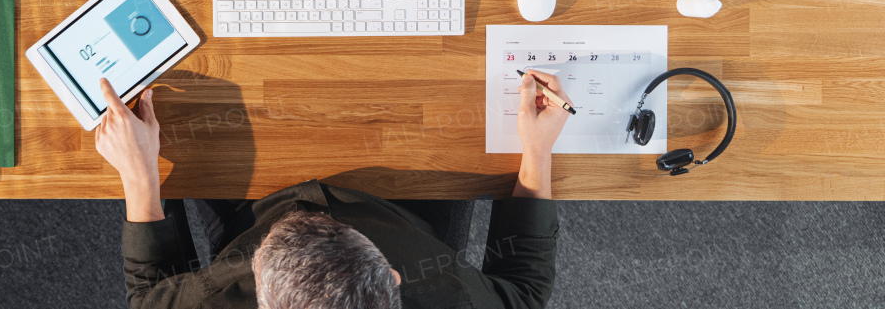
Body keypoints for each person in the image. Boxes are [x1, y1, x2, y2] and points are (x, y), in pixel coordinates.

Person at [94, 69, 571, 309]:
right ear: (394, 277)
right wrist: (537, 152)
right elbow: (524, 291)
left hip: (250, 213)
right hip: (409, 215)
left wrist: (141, 177)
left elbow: (151, 297)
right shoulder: (448, 294)